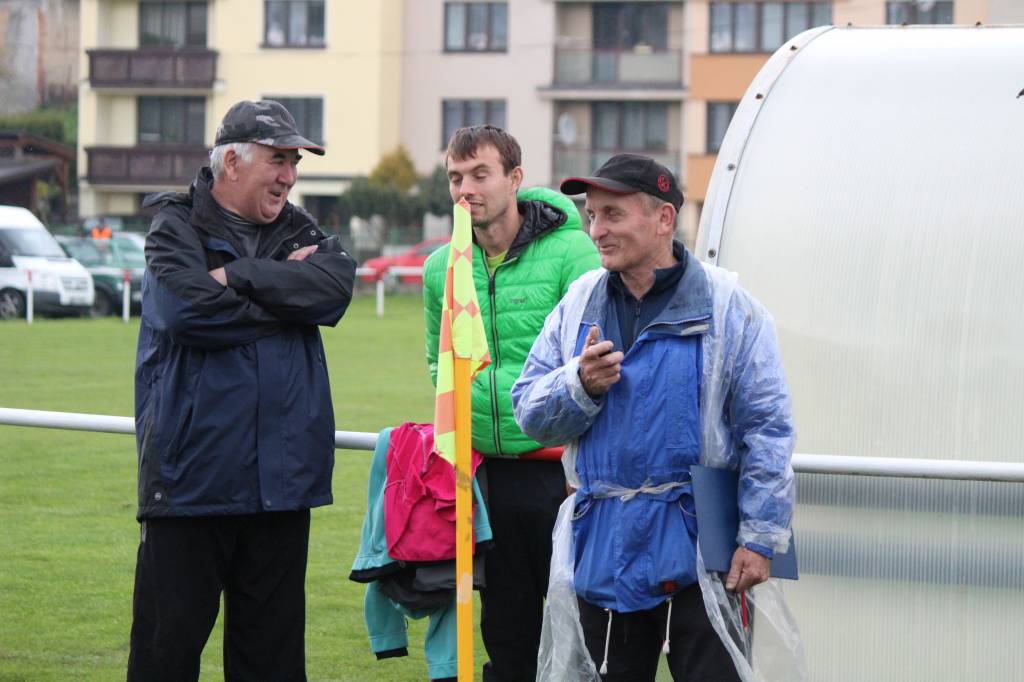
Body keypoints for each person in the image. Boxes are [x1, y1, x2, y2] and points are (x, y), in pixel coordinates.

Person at [511, 154, 795, 681]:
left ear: (663, 218)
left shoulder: (729, 307)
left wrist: (759, 537)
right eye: (592, 215)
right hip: (605, 547)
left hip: (706, 549)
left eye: (612, 214)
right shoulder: (578, 304)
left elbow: (767, 429)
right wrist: (579, 384)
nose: (596, 230)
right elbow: (529, 411)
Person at [128, 100, 356, 681]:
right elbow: (187, 313)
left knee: (272, 666)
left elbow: (333, 290)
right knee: (164, 659)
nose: (290, 176)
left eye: (294, 163)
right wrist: (286, 302)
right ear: (231, 162)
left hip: (282, 487)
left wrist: (239, 276)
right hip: (191, 484)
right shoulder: (175, 227)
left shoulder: (300, 228)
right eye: (278, 160)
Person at [422, 125, 600, 681]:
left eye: (481, 174)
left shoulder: (572, 251)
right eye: (456, 178)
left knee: (583, 632)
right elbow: (439, 363)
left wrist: (573, 458)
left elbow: (594, 360)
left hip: (561, 474)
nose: (466, 190)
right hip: (485, 479)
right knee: (506, 633)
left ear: (515, 178)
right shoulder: (440, 267)